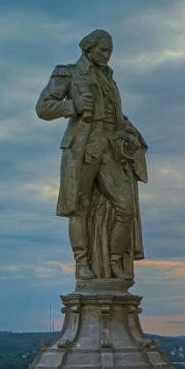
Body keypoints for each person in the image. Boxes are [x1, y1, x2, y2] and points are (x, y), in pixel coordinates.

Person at [36, 30, 147, 281]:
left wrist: (131, 132)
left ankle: (114, 261)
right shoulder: (68, 72)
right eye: (103, 50)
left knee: (125, 206)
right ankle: (82, 264)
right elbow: (43, 107)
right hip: (82, 149)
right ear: (89, 49)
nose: (107, 56)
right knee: (78, 208)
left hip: (110, 149)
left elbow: (117, 117)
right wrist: (72, 106)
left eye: (110, 51)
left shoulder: (109, 79)